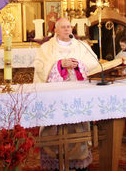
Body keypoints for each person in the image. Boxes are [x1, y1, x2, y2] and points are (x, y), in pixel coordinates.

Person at [33, 18, 99, 171]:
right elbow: (39, 67)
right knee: (54, 127)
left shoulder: (82, 46)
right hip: (54, 96)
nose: (67, 30)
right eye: (63, 27)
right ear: (55, 30)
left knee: (78, 125)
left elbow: (94, 64)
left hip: (77, 95)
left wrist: (78, 65)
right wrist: (59, 65)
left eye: (69, 27)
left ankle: (79, 163)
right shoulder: (46, 48)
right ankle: (55, 162)